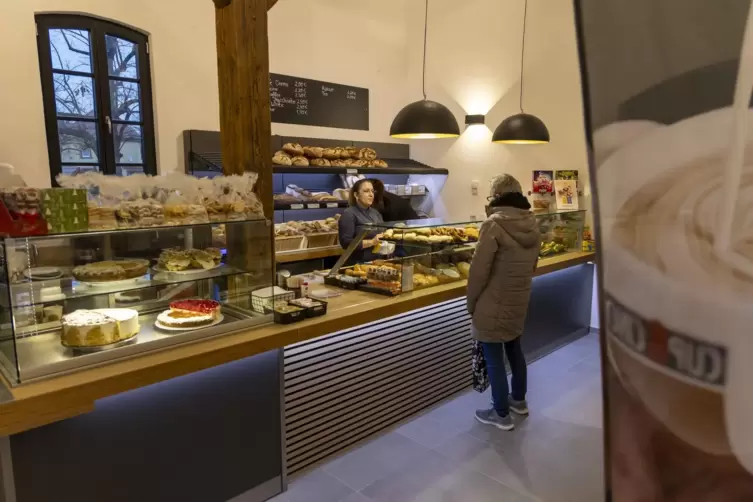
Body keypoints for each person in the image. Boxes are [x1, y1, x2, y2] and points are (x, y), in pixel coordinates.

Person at [467, 174, 541, 431]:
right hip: (518, 299)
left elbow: (478, 271)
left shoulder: (493, 224)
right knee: (515, 350)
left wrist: (471, 303)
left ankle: (500, 414)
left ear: (497, 196)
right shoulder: (532, 221)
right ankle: (518, 402)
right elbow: (533, 265)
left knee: (494, 358)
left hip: (492, 302)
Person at [338, 179, 384, 263]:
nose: (371, 195)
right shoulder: (349, 214)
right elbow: (346, 243)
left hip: (377, 261)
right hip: (358, 263)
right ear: (356, 195)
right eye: (366, 191)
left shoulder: (376, 213)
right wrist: (372, 242)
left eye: (372, 191)